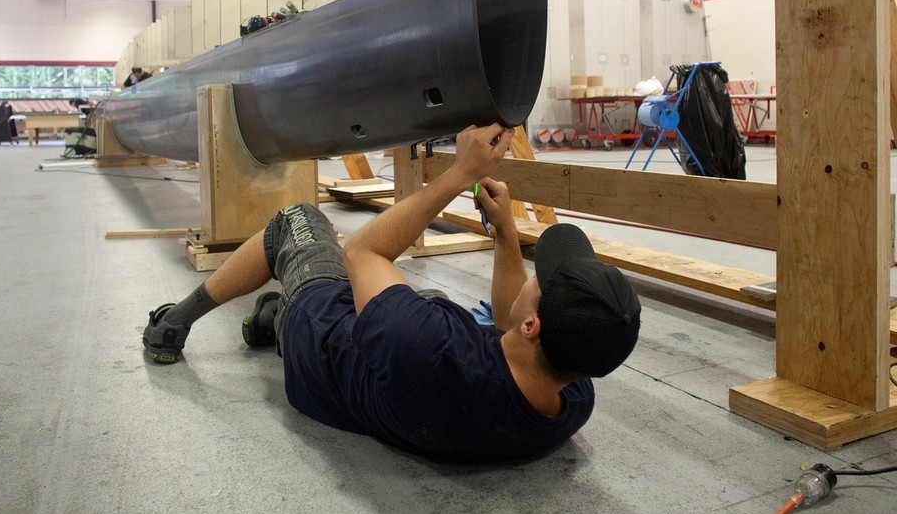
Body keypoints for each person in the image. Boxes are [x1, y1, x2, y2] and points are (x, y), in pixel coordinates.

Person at [142, 124, 641, 461]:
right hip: (398, 368)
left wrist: (460, 174)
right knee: (430, 302)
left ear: (534, 327)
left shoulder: (427, 345)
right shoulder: (570, 394)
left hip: (322, 338)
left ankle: (174, 325)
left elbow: (363, 253)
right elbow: (513, 327)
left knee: (298, 223)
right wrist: (507, 231)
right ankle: (269, 317)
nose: (536, 276)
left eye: (542, 281)